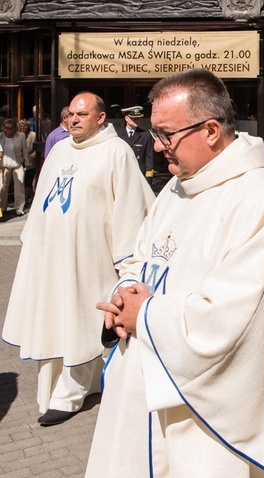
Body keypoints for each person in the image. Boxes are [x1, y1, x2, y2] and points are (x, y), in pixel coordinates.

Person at [86, 69, 264, 477]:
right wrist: (125, 290)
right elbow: (143, 258)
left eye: (167, 133)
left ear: (210, 130)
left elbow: (232, 318)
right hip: (143, 385)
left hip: (207, 415)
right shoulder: (175, 188)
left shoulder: (260, 198)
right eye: (155, 131)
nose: (157, 144)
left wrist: (145, 316)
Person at [2, 92, 154, 426]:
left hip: (90, 258)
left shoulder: (116, 152)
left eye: (82, 115)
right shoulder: (58, 150)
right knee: (54, 318)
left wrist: (127, 259)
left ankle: (70, 394)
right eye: (71, 114)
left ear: (100, 118)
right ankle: (61, 387)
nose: (73, 120)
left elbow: (130, 206)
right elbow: (43, 199)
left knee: (80, 321)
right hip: (52, 256)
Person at [0, 119, 30, 216]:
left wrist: (27, 162)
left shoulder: (21, 136)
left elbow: (25, 150)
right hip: (4, 165)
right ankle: (2, 208)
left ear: (15, 128)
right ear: (4, 128)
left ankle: (19, 208)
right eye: (7, 128)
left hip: (17, 164)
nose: (9, 130)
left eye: (11, 128)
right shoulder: (0, 136)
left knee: (19, 187)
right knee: (3, 187)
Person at [116, 106, 154, 182]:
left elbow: (149, 158)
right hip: (122, 174)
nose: (137, 120)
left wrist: (148, 179)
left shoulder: (145, 135)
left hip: (139, 175)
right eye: (134, 118)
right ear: (126, 118)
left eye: (138, 118)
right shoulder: (118, 136)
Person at [18, 119, 38, 205]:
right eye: (21, 126)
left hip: (30, 161)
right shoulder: (19, 135)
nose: (22, 128)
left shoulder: (33, 135)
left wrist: (31, 158)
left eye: (24, 126)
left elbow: (34, 149)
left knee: (28, 181)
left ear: (28, 126)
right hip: (20, 161)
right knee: (24, 182)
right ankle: (33, 198)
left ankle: (26, 200)